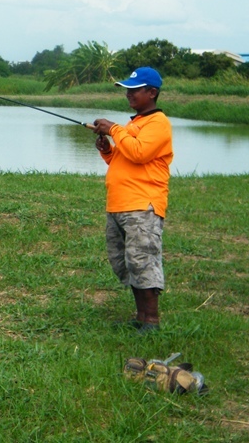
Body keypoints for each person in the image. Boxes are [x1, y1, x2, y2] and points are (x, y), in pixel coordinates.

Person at [92, 67, 173, 334]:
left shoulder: (158, 123)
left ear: (152, 93)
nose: (129, 94)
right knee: (124, 262)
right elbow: (125, 158)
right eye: (127, 89)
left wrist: (113, 129)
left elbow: (139, 153)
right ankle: (140, 317)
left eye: (135, 90)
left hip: (142, 205)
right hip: (119, 205)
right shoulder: (134, 124)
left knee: (142, 260)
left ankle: (151, 321)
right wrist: (108, 151)